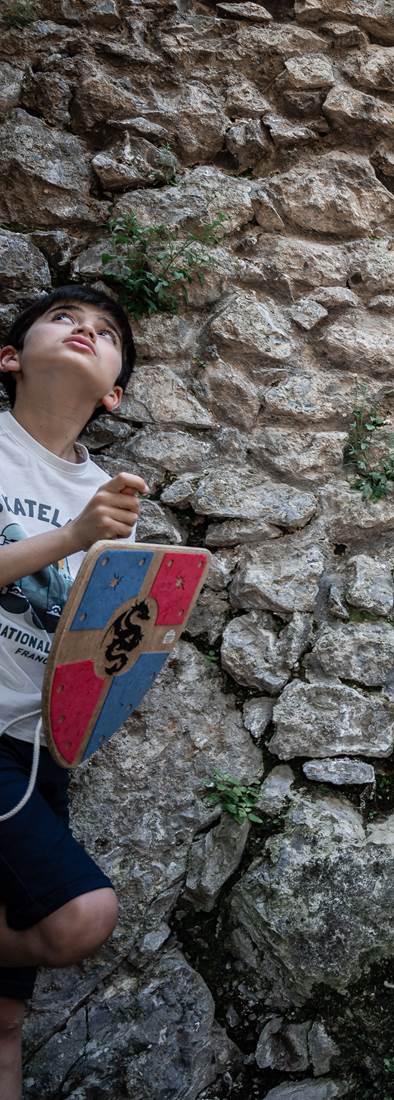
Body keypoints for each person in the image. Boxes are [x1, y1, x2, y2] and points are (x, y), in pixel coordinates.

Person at [0, 285, 145, 1100]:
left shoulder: (109, 498)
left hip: (38, 752)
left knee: (4, 1020)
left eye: (105, 332)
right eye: (64, 319)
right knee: (80, 917)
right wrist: (72, 536)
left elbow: (97, 653)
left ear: (113, 393)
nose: (87, 331)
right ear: (10, 357)